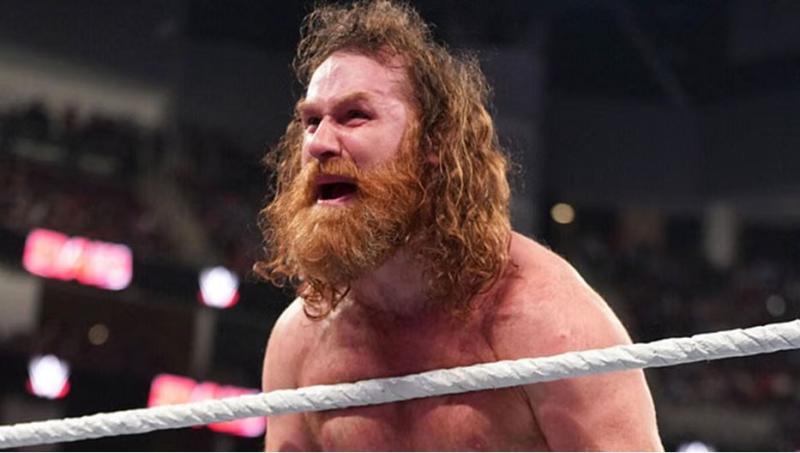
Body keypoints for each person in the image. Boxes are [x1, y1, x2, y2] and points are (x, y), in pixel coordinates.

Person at [255, 1, 663, 450]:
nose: (319, 143)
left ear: (432, 141)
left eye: (354, 115)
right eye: (311, 121)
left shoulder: (550, 325)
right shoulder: (300, 343)